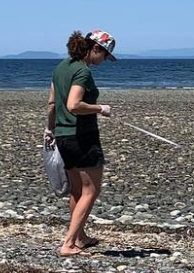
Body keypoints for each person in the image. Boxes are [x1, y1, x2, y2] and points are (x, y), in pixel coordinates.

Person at [44, 30, 117, 256]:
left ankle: (80, 237)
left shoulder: (61, 68)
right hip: (82, 137)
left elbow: (52, 103)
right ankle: (68, 243)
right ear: (95, 49)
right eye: (105, 55)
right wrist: (100, 108)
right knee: (90, 191)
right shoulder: (82, 72)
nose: (104, 61)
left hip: (64, 137)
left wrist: (50, 128)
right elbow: (74, 104)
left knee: (77, 191)